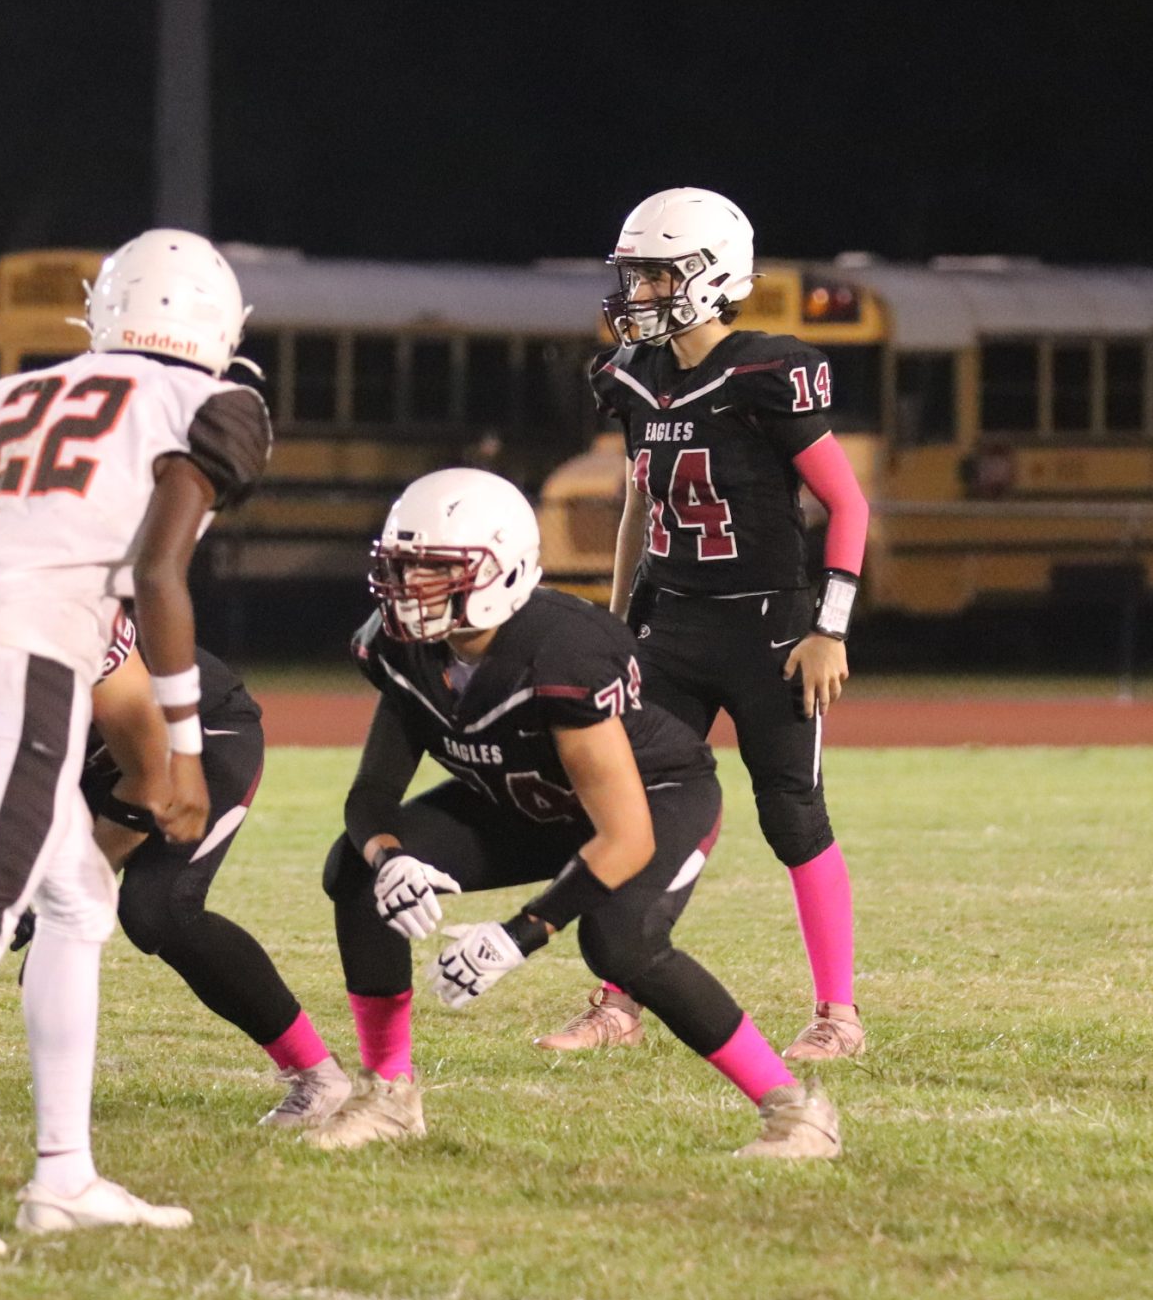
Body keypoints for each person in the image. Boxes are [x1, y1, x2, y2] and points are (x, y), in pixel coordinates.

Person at [0, 228, 269, 1260]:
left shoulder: (12, 396)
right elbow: (160, 577)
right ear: (216, 323)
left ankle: (63, 1176)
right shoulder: (212, 402)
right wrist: (181, 751)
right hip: (27, 651)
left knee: (77, 903)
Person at [309, 467, 840, 1159]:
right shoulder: (398, 648)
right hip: (529, 800)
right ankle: (389, 1094)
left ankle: (797, 1112)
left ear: (500, 572)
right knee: (354, 868)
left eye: (435, 570)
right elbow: (371, 793)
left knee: (621, 942)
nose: (410, 589)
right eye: (403, 567)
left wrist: (517, 935)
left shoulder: (560, 651)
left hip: (653, 798)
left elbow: (622, 837)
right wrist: (390, 857)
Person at [0, 447, 344, 1128]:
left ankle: (318, 1076)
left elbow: (148, 771)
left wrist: (62, 887)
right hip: (86, 757)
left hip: (188, 741)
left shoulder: (58, 606)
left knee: (158, 909)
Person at [548, 187, 872, 1062]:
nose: (639, 292)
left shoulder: (768, 368)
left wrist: (829, 627)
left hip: (771, 630)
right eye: (636, 274)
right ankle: (618, 997)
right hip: (673, 628)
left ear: (708, 275)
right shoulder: (629, 375)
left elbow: (845, 501)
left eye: (656, 274)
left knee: (793, 814)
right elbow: (635, 508)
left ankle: (838, 1013)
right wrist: (617, 626)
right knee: (637, 806)